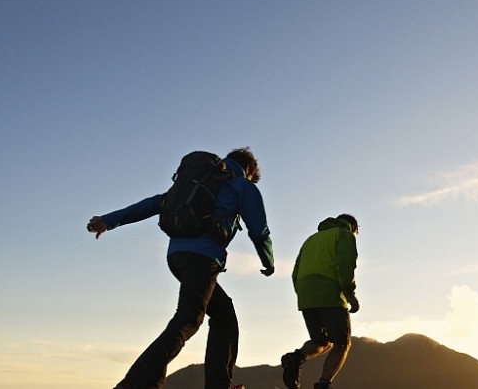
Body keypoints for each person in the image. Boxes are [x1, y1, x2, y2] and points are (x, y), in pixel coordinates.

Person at [86, 147, 275, 389]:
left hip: (177, 256)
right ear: (249, 171)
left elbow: (155, 203)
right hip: (202, 258)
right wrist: (268, 262)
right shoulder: (241, 185)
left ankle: (218, 384)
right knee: (189, 319)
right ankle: (136, 384)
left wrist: (110, 220)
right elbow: (259, 231)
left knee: (224, 314)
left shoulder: (200, 183)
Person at [281, 214, 360, 389]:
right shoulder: (344, 235)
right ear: (354, 227)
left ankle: (295, 358)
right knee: (341, 343)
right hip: (329, 293)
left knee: (322, 342)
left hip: (306, 296)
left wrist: (304, 294)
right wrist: (350, 294)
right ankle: (324, 385)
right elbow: (346, 264)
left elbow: (295, 272)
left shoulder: (311, 240)